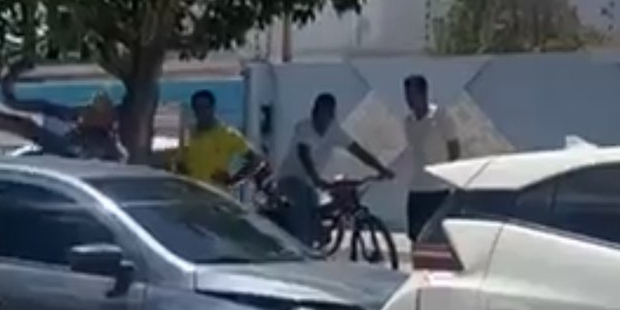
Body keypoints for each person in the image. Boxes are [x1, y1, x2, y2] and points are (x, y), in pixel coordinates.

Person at [279, 93, 393, 244]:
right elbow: (304, 155)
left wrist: (381, 169)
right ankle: (303, 248)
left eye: (327, 114)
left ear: (332, 115)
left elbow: (357, 151)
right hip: (290, 177)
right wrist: (316, 179)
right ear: (314, 112)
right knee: (304, 215)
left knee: (317, 211)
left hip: (310, 182)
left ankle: (315, 235)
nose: (322, 119)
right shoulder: (304, 127)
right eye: (319, 113)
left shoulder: (334, 131)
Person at [0, 60, 126, 161]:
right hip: (68, 143)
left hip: (69, 149)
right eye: (90, 107)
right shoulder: (77, 120)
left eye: (92, 109)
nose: (87, 108)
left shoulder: (101, 144)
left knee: (31, 126)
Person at [403, 75, 461, 240]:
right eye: (407, 95)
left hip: (437, 187)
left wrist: (450, 174)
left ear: (423, 94)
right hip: (417, 185)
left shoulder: (440, 116)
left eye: (412, 95)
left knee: (437, 235)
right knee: (415, 233)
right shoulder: (408, 122)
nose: (409, 100)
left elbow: (453, 147)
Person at [173, 90, 264, 190]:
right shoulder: (188, 134)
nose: (202, 112)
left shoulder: (227, 134)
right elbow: (179, 164)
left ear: (213, 108)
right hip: (192, 195)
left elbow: (255, 160)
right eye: (198, 108)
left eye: (206, 108)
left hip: (217, 195)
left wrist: (233, 180)